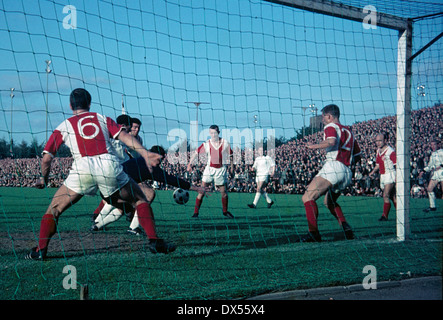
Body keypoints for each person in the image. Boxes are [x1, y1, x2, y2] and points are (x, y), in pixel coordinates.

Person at [25, 88, 175, 260]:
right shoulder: (102, 118)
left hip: (82, 169)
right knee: (140, 199)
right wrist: (145, 153)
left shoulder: (63, 126)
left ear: (70, 105)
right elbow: (124, 136)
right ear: (89, 103)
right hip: (108, 166)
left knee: (54, 210)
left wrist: (43, 179)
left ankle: (41, 249)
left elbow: (45, 160)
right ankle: (154, 241)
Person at [93, 145, 211, 235]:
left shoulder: (138, 160)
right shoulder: (152, 168)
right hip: (118, 187)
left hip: (108, 187)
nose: (160, 163)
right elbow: (172, 180)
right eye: (160, 160)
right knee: (148, 195)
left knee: (124, 207)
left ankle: (97, 225)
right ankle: (133, 228)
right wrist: (197, 188)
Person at [300, 104, 361, 242]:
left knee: (307, 197)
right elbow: (358, 156)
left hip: (334, 166)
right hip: (347, 172)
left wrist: (312, 146)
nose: (322, 120)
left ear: (329, 116)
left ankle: (313, 233)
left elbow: (331, 141)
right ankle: (345, 226)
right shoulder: (349, 132)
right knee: (329, 202)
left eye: (323, 117)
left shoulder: (331, 127)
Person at [187, 124, 234, 218]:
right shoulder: (206, 144)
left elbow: (231, 156)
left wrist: (232, 168)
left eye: (215, 132)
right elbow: (196, 153)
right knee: (202, 191)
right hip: (209, 170)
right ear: (209, 133)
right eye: (211, 133)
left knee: (224, 192)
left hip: (220, 170)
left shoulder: (225, 143)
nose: (213, 134)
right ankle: (196, 213)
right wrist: (189, 164)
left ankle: (225, 211)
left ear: (218, 132)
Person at [368, 133, 397, 221]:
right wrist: (372, 172)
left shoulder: (390, 151)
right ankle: (401, 214)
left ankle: (384, 216)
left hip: (390, 175)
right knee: (392, 196)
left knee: (385, 195)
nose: (378, 143)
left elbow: (396, 165)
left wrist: (397, 177)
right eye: (376, 141)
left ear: (385, 140)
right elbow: (377, 164)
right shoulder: (378, 151)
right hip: (383, 175)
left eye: (380, 140)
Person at [419, 139, 443, 212]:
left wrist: (440, 166)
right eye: (431, 145)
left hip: (442, 172)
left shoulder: (442, 152)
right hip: (436, 174)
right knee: (429, 189)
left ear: (438, 145)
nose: (432, 146)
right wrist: (423, 171)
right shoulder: (432, 154)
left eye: (434, 144)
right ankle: (432, 207)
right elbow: (430, 166)